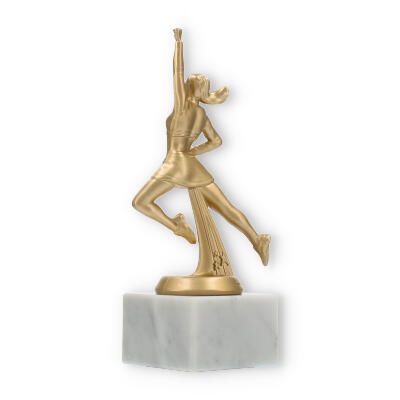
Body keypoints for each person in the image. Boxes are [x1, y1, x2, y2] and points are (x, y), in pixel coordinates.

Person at [133, 28, 270, 265]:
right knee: (225, 207)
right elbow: (216, 141)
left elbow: (176, 72)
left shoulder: (183, 107)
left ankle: (177, 226)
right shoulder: (202, 114)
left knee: (141, 202)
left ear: (188, 87)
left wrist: (178, 44)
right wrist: (195, 152)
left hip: (174, 164)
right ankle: (257, 239)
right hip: (192, 166)